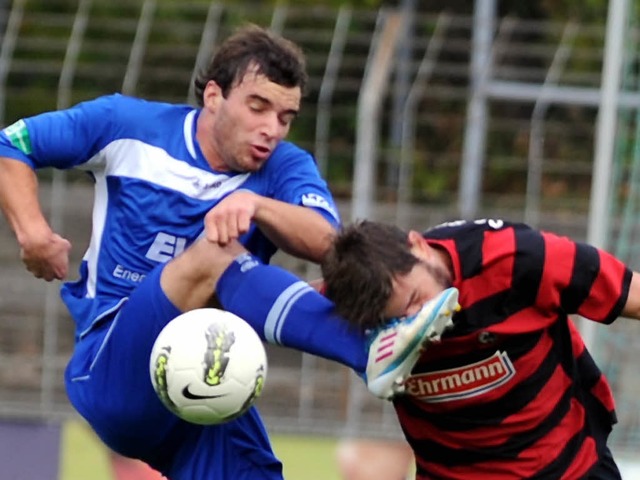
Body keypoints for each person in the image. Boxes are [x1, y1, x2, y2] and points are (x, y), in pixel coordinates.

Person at [0, 25, 458, 480]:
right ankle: (368, 349)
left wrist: (257, 205)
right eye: (258, 107)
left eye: (285, 117)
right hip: (115, 370)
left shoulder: (285, 168)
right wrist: (33, 232)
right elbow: (11, 143)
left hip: (207, 382)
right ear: (214, 96)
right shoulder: (127, 126)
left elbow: (327, 243)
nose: (271, 129)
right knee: (219, 251)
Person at [318, 218, 640, 479]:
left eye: (416, 300)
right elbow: (275, 303)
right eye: (398, 321)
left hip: (567, 469)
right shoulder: (353, 303)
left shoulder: (514, 258)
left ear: (419, 247)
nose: (416, 323)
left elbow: (634, 295)